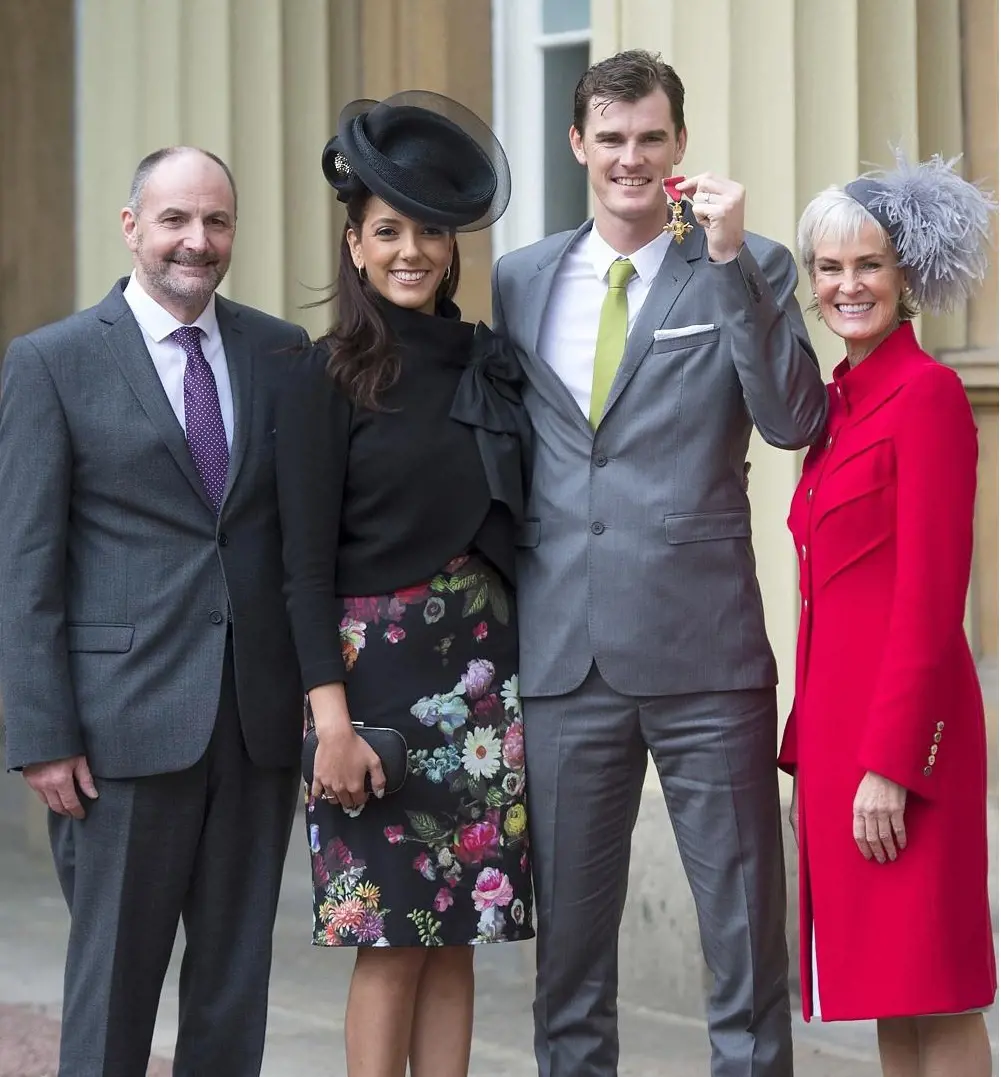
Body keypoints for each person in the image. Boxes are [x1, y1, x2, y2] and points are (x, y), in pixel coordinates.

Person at [492, 49, 828, 1077]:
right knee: (569, 967)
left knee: (741, 948)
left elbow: (791, 418)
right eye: (610, 140)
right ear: (577, 146)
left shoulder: (750, 265)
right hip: (560, 658)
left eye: (649, 138)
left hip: (704, 653)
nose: (629, 159)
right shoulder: (519, 279)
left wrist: (725, 263)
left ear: (677, 143)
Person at [0, 147, 308, 1076]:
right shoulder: (51, 362)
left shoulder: (279, 352)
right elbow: (24, 562)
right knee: (114, 984)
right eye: (175, 220)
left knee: (231, 985)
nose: (196, 241)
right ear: (132, 226)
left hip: (254, 726)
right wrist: (41, 729)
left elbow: (290, 537)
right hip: (116, 730)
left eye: (215, 222)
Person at [275, 91, 534, 1077]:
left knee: (457, 935)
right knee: (387, 945)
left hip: (479, 689)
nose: (410, 251)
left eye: (428, 230)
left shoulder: (486, 363)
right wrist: (328, 722)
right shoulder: (322, 377)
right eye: (387, 231)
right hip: (369, 694)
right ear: (354, 245)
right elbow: (298, 567)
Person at [781, 151, 997, 1076]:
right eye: (828, 269)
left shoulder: (929, 396)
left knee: (933, 989)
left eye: (866, 264)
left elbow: (928, 597)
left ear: (904, 274)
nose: (846, 285)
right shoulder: (833, 407)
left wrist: (892, 763)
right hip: (839, 747)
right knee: (881, 990)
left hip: (904, 745)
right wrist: (808, 752)